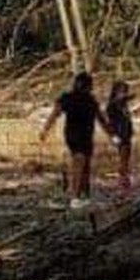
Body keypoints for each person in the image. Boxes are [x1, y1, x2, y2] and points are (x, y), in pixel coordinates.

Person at [39, 69, 112, 208]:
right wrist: (45, 129)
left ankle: (84, 193)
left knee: (86, 165)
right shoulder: (69, 98)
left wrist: (111, 134)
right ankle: (74, 196)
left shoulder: (90, 100)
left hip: (87, 135)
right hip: (74, 135)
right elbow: (55, 113)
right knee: (79, 162)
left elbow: (101, 119)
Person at [104, 80, 134, 195]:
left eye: (125, 91)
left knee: (126, 157)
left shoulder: (123, 104)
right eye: (122, 91)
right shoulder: (113, 104)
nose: (124, 93)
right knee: (123, 157)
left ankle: (125, 178)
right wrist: (113, 135)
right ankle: (123, 181)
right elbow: (110, 120)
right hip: (119, 133)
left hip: (126, 133)